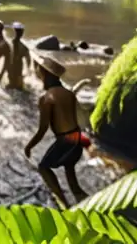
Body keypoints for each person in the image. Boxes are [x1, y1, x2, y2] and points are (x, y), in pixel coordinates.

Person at [24, 55, 91, 207]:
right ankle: (89, 204)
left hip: (66, 140)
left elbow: (43, 129)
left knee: (44, 167)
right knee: (72, 178)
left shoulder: (47, 98)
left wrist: (29, 146)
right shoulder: (69, 94)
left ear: (46, 75)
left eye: (40, 72)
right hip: (77, 137)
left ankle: (63, 204)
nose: (38, 74)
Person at [5, 21, 31, 91]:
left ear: (14, 32)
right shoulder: (24, 47)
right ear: (22, 34)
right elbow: (28, 60)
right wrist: (27, 71)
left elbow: (6, 56)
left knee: (11, 84)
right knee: (18, 87)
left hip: (11, 66)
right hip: (18, 66)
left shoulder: (9, 43)